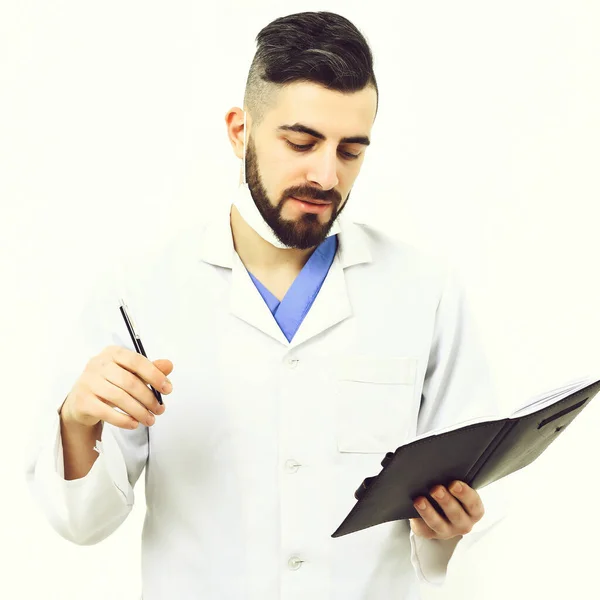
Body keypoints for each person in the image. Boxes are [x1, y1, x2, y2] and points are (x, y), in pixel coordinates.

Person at [26, 11, 503, 600]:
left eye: (350, 151)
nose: (326, 175)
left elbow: (484, 494)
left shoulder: (425, 289)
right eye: (301, 142)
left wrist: (453, 525)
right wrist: (77, 421)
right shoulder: (139, 289)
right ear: (239, 130)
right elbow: (83, 522)